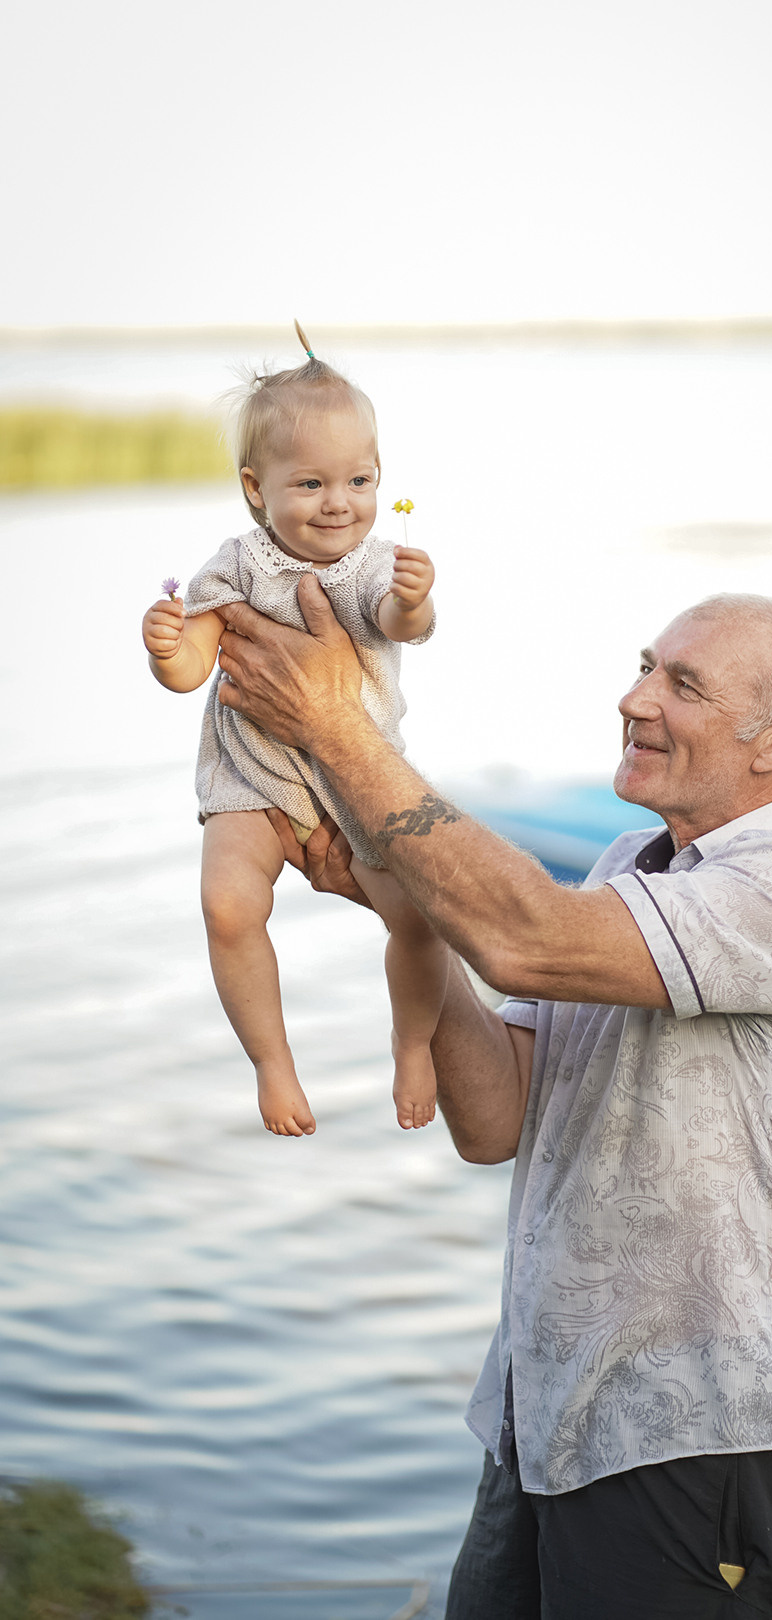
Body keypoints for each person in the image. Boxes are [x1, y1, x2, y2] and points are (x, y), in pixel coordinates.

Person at [210, 580, 772, 1620]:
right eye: (642, 666)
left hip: (700, 1439)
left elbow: (525, 935)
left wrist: (331, 724)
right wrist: (418, 920)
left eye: (682, 684)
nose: (635, 699)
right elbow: (496, 1120)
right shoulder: (631, 865)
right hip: (543, 1421)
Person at [140, 333, 444, 1134]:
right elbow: (193, 666)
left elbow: (400, 623)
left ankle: (413, 1043)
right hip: (251, 776)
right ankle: (273, 1066)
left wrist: (413, 600)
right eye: (309, 482)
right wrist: (168, 648)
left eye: (359, 480)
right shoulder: (236, 565)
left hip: (357, 776)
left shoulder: (376, 563)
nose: (338, 502)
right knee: (227, 906)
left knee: (420, 914)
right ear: (255, 488)